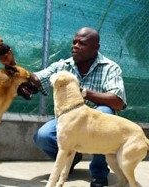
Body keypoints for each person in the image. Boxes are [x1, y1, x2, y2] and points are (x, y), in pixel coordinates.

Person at [17, 27, 127, 187]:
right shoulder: (62, 65)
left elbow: (118, 101)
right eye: (74, 42)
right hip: (69, 121)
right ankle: (72, 157)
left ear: (96, 48)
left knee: (105, 112)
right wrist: (14, 67)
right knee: (43, 135)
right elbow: (37, 79)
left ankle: (98, 173)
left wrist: (81, 92)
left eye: (81, 43)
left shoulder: (110, 67)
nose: (75, 46)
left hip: (93, 119)